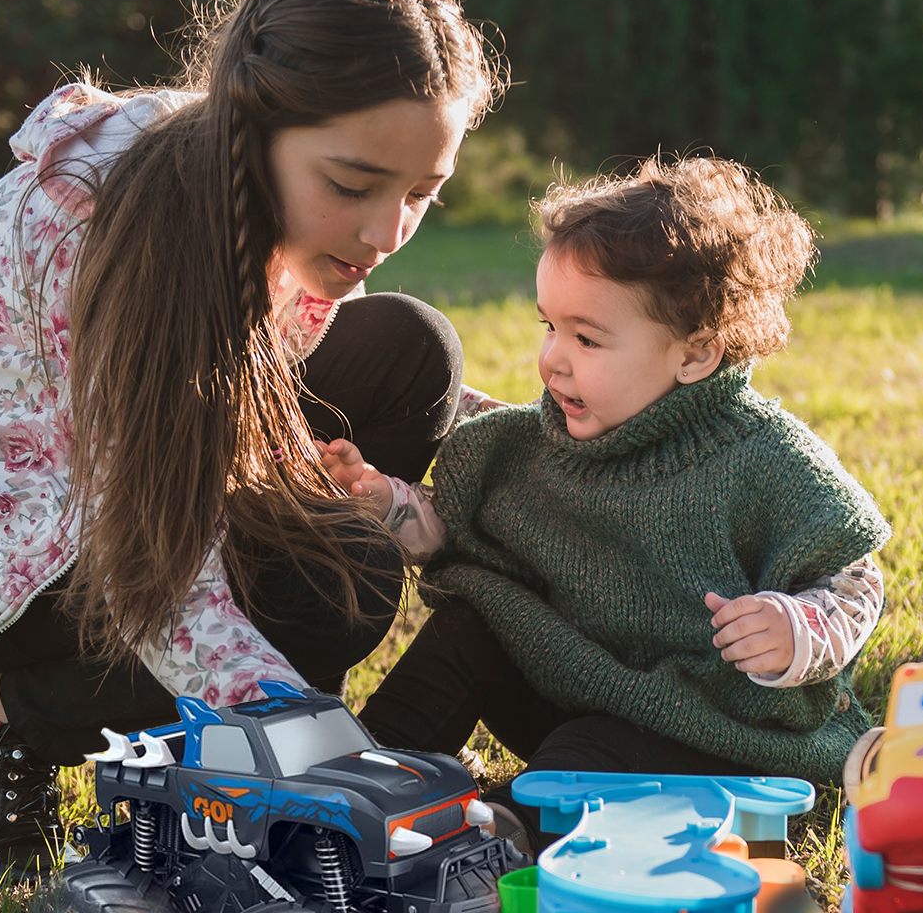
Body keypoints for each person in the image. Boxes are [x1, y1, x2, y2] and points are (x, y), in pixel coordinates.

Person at [0, 0, 501, 885]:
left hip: (133, 459)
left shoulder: (244, 187)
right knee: (334, 578)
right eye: (351, 186)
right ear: (256, 128)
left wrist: (583, 437)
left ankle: (240, 735)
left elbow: (278, 364)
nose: (386, 232)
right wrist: (307, 747)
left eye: (423, 195)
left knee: (411, 349)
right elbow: (155, 561)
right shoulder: (117, 233)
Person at [350, 156, 891, 853]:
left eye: (587, 338)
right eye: (549, 326)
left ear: (695, 356)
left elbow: (853, 575)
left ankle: (493, 837)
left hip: (708, 736)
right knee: (471, 627)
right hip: (584, 685)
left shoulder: (760, 454)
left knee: (591, 747)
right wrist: (393, 506)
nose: (553, 360)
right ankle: (365, 776)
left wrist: (799, 629)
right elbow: (472, 532)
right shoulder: (543, 441)